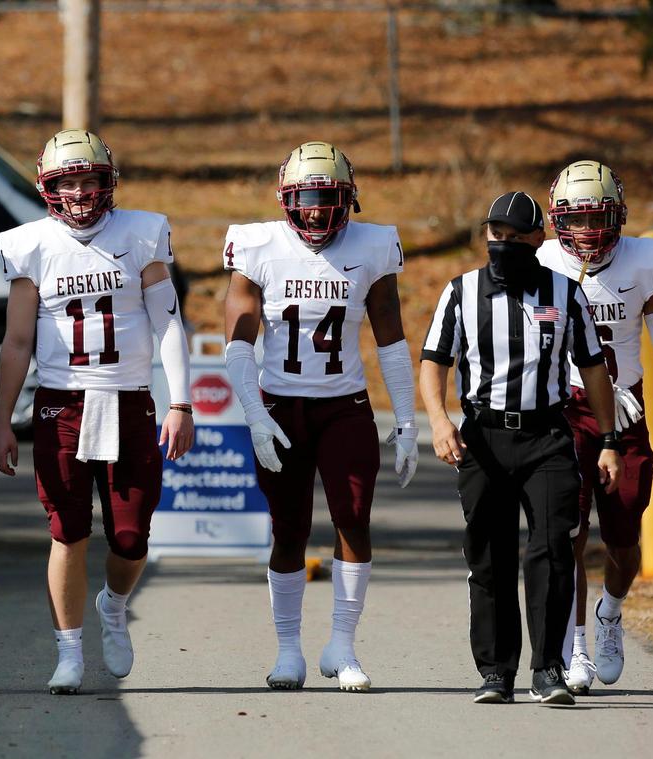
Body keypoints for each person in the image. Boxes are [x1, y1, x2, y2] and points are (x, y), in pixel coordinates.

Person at [0, 129, 194, 695]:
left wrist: (181, 401)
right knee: (68, 531)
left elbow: (168, 321)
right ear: (48, 188)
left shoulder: (141, 233)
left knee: (131, 537)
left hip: (129, 398)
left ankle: (114, 604)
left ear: (108, 183)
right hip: (61, 402)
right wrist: (3, 419)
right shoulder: (31, 243)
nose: (79, 193)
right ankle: (69, 652)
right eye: (67, 182)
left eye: (88, 180)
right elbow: (15, 342)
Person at [223, 141, 419, 693]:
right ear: (286, 198)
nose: (313, 210)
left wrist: (406, 419)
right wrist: (255, 413)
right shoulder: (257, 244)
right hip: (280, 404)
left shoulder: (375, 243)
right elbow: (239, 341)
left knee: (353, 519)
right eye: (304, 197)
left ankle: (343, 644)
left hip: (345, 405)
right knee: (288, 530)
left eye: (326, 197)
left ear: (348, 198)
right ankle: (289, 650)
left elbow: (390, 337)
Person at [419, 190, 622, 706]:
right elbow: (433, 362)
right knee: (489, 557)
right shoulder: (460, 292)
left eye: (514, 238)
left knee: (553, 549)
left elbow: (594, 368)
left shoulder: (565, 293)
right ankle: (495, 672)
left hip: (547, 437)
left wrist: (608, 440)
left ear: (538, 239)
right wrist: (440, 421)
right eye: (496, 236)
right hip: (483, 437)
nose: (503, 246)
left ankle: (548, 668)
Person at [538, 161, 653, 694]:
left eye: (597, 217)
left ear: (619, 215)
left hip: (627, 409)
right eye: (574, 220)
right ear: (557, 221)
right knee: (568, 533)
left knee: (624, 539)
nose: (586, 231)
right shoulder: (543, 260)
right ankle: (574, 647)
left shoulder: (646, 260)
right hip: (566, 408)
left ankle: (610, 614)